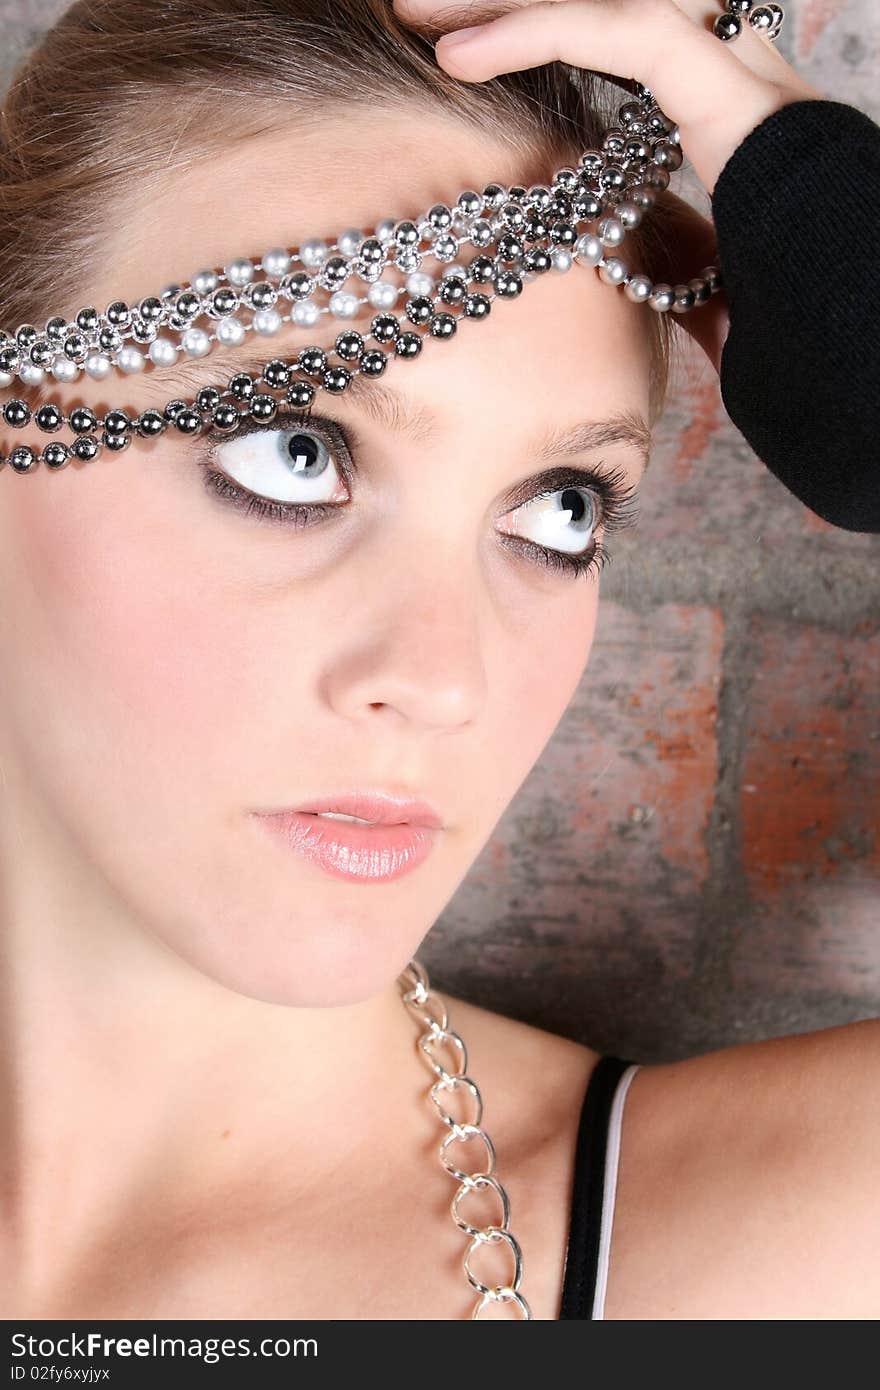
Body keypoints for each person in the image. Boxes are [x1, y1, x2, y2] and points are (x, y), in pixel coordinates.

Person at [0, 0, 876, 1321]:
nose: (445, 675)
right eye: (295, 453)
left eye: (558, 509)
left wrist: (819, 218)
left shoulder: (771, 1249)